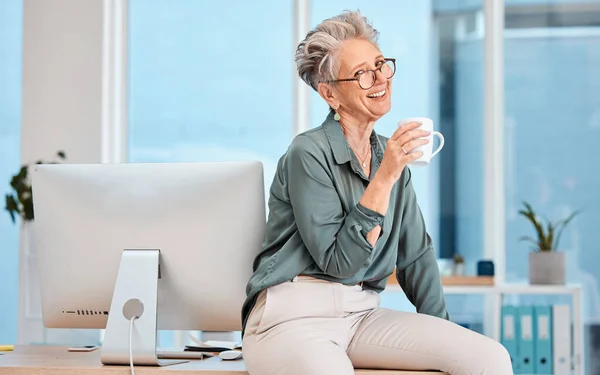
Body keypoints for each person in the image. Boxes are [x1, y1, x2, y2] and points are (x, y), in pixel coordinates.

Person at [240, 10, 513, 375]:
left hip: (362, 314)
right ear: (329, 94)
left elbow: (416, 257)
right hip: (290, 318)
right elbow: (340, 263)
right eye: (362, 73)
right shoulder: (308, 152)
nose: (380, 78)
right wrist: (384, 177)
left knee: (488, 358)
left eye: (381, 64)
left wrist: (441, 333)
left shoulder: (390, 157)